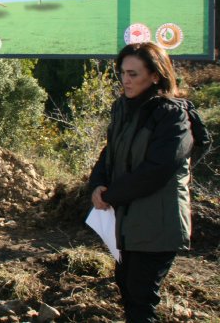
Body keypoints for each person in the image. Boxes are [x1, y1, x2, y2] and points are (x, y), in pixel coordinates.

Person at [89, 42, 193, 323]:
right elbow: (110, 153)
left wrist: (112, 195)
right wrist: (97, 184)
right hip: (130, 223)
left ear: (156, 75)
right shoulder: (123, 108)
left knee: (141, 297)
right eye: (123, 73)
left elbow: (157, 170)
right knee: (127, 287)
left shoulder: (173, 116)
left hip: (159, 223)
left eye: (134, 74)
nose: (125, 80)